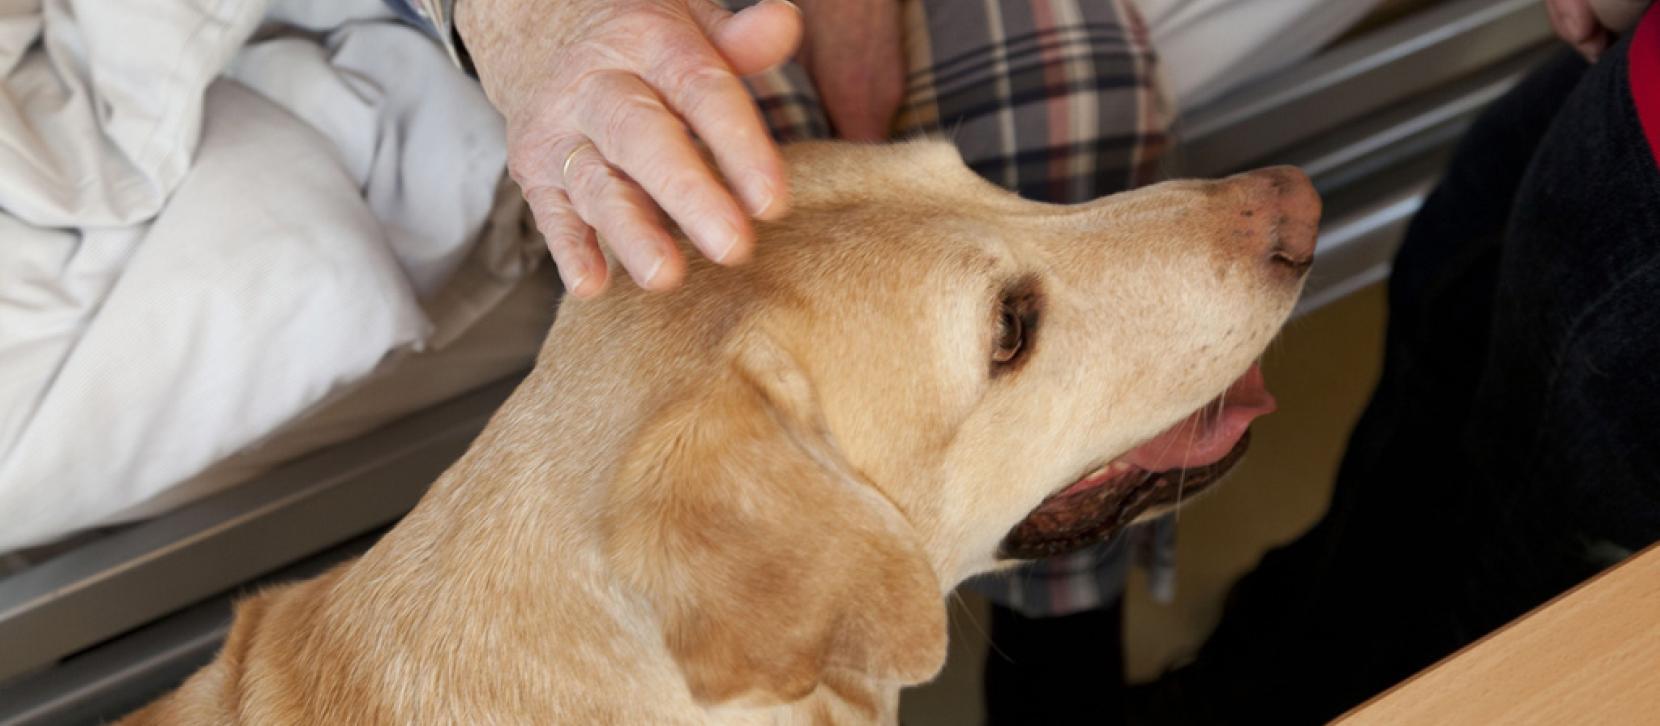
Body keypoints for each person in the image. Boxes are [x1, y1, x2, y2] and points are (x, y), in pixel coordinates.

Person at [1130, 1, 1660, 722]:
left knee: (1514, 549)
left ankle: (1345, 689)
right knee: (1436, 319)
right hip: (1632, 74)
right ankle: (1272, 657)